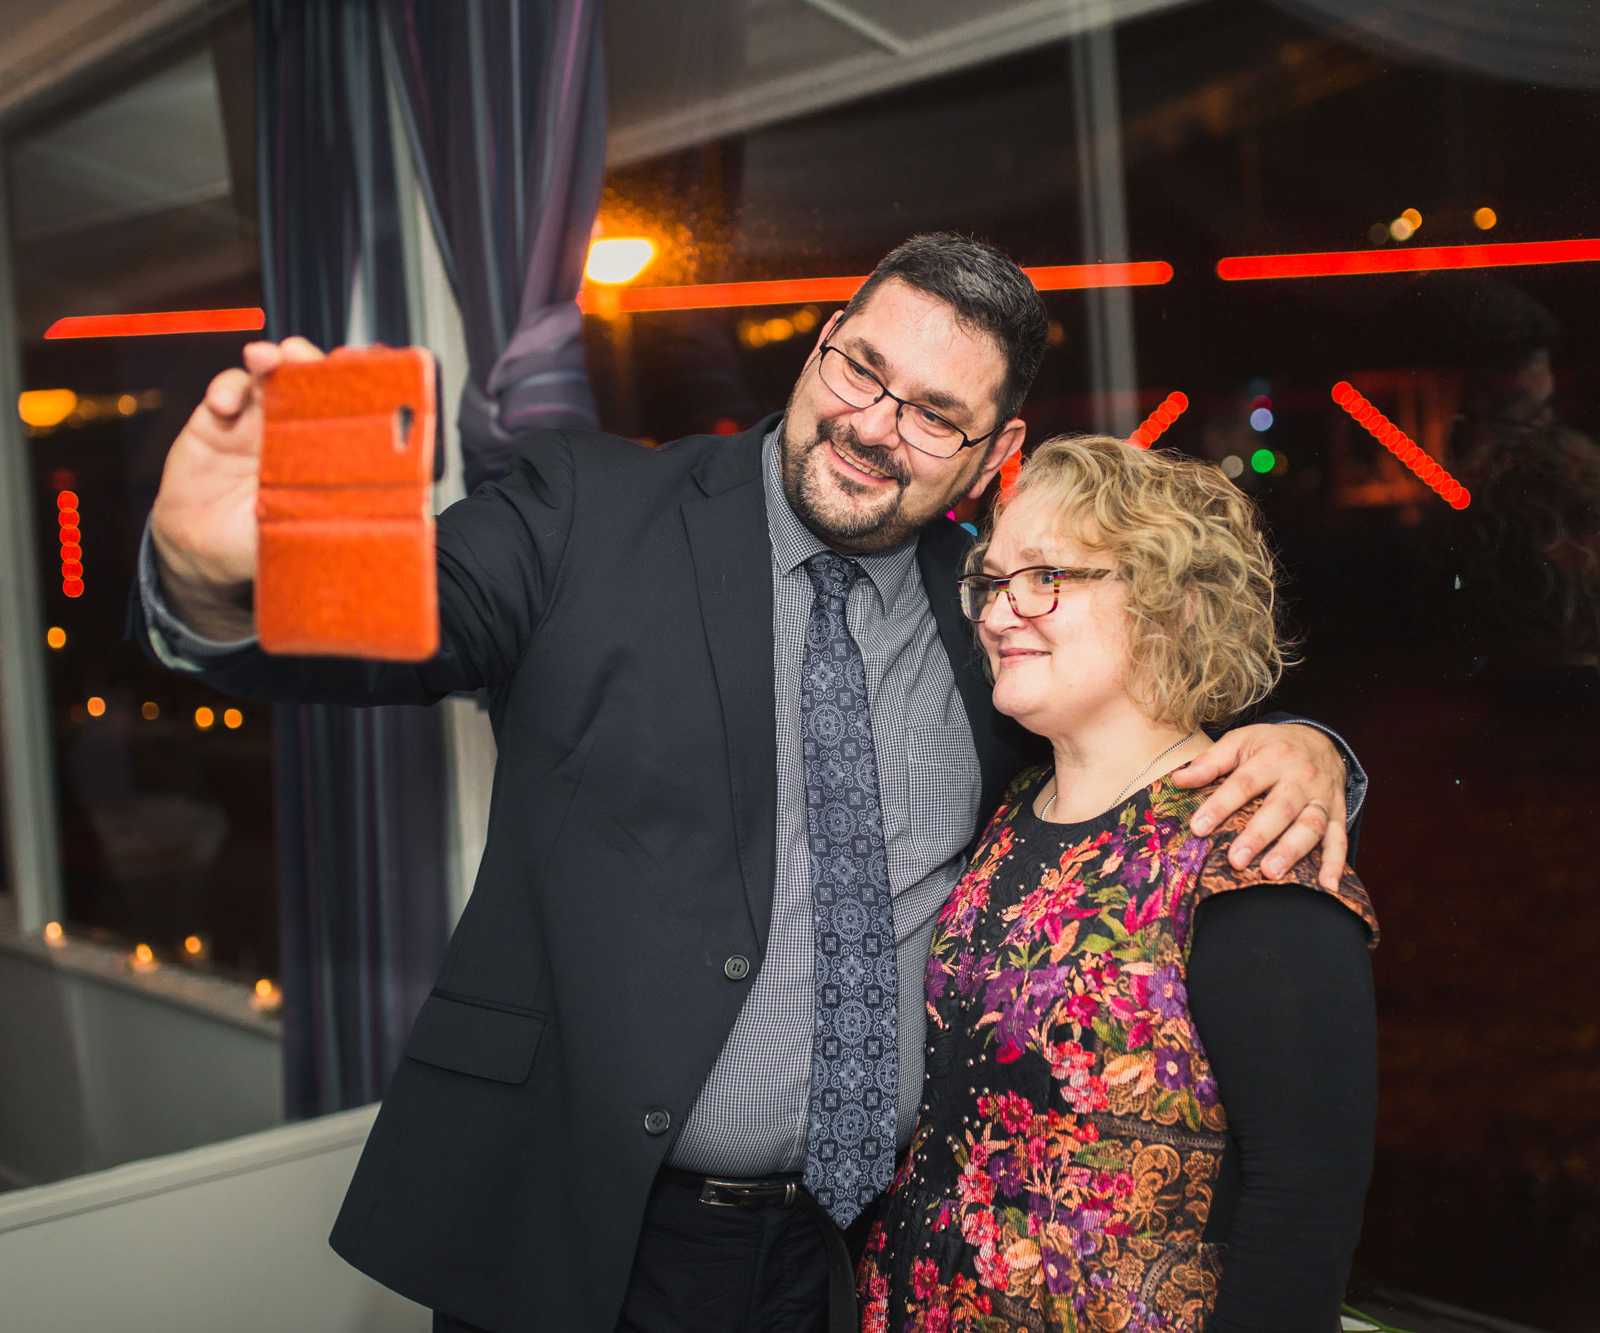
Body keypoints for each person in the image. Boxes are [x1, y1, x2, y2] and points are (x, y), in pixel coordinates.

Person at [136, 234, 1365, 1333]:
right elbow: (403, 617)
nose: (875, 423)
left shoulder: (987, 608)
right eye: (858, 369)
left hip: (849, 1259)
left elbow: (1138, 724)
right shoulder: (590, 513)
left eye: (935, 414)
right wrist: (218, 578)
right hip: (584, 1237)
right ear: (821, 344)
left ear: (997, 454)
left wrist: (1309, 749)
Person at [857, 436, 1377, 1332]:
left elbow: (1304, 1205)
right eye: (990, 582)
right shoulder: (1011, 808)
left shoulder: (1249, 851)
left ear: (1170, 602)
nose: (997, 613)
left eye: (1045, 576)